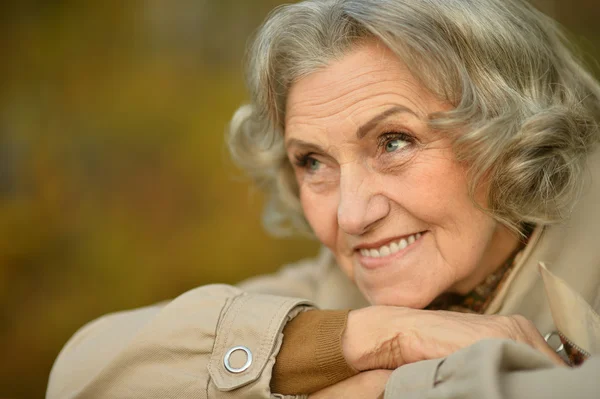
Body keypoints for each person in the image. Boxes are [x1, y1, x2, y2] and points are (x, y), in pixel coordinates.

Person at [47, 0, 600, 398]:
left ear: (512, 131)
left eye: (394, 142)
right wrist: (376, 338)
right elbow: (80, 373)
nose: (350, 214)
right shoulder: (338, 291)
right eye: (313, 162)